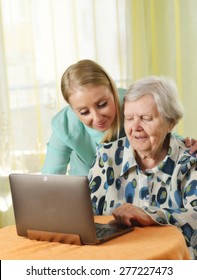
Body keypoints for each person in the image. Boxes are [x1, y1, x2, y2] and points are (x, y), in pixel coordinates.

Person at [88, 75, 197, 259]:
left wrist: (150, 215)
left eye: (146, 118)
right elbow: (85, 214)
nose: (135, 127)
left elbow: (194, 216)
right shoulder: (106, 157)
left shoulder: (190, 160)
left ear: (171, 122)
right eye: (129, 118)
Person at [41, 59, 197, 175]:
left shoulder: (132, 105)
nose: (97, 118)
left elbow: (159, 130)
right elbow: (49, 179)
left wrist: (186, 146)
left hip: (127, 190)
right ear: (72, 109)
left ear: (113, 91)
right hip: (84, 194)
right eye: (84, 112)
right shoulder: (65, 125)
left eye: (102, 104)